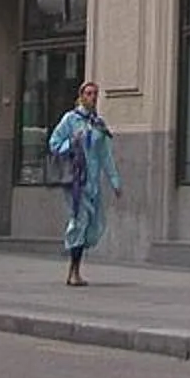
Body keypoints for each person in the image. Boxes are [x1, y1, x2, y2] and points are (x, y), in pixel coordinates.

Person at [47, 79, 120, 286]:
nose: (92, 97)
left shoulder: (98, 124)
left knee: (94, 224)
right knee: (79, 221)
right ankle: (73, 271)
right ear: (81, 96)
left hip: (93, 181)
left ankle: (76, 266)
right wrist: (72, 142)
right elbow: (54, 144)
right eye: (88, 93)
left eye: (95, 94)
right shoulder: (70, 120)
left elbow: (105, 155)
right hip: (76, 181)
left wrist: (114, 180)